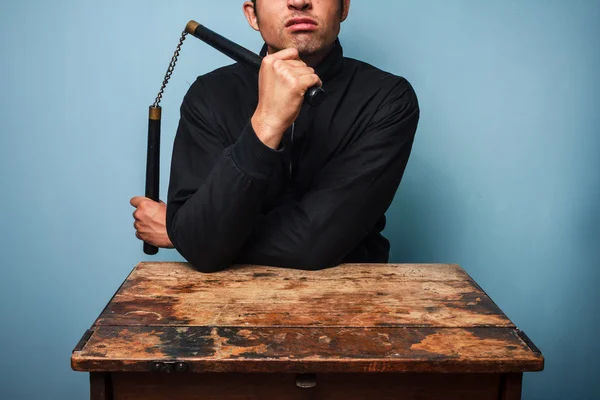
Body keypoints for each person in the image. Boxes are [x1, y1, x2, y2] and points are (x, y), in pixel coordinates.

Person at [131, 0, 420, 272]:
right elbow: (202, 241)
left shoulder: (388, 99)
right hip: (221, 307)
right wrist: (266, 123)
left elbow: (313, 244)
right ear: (252, 14)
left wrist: (186, 235)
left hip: (354, 306)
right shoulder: (208, 95)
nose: (299, 1)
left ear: (344, 7)